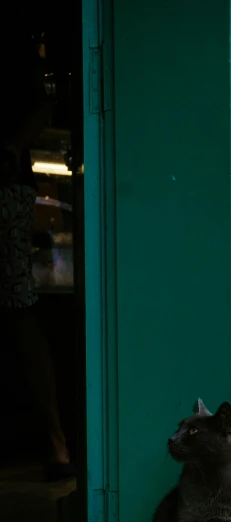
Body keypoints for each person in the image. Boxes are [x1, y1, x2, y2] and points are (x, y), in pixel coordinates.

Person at [0, 13, 74, 481]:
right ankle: (55, 441)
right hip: (10, 183)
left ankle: (56, 440)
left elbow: (45, 106)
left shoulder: (15, 46)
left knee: (20, 311)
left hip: (6, 189)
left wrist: (8, 149)